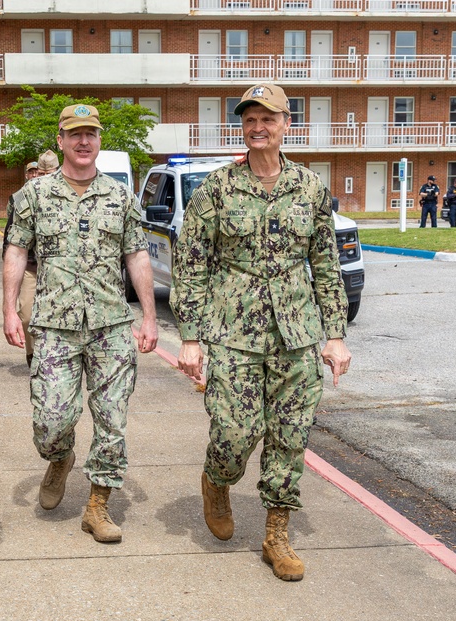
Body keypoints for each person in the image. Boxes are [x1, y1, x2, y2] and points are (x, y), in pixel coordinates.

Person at [170, 82, 352, 582]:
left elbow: (325, 263)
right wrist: (190, 336)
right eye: (250, 119)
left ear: (286, 125)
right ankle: (217, 479)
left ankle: (276, 533)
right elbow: (191, 263)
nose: (258, 127)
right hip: (233, 331)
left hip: (296, 333)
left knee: (289, 437)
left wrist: (334, 334)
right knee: (235, 431)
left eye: (267, 119)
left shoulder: (310, 189)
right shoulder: (217, 189)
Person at [3, 104, 158, 544]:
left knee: (112, 421)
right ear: (60, 140)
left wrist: (148, 316)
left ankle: (98, 506)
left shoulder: (121, 197)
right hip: (54, 324)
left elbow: (137, 256)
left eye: (91, 133)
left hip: (110, 325)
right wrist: (11, 310)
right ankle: (60, 458)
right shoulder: (32, 197)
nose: (83, 141)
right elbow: (15, 252)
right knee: (51, 422)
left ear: (99, 140)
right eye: (75, 134)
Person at [1, 158, 47, 366]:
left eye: (43, 172)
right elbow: (11, 232)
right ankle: (31, 352)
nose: (37, 176)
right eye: (34, 172)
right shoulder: (21, 197)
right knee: (27, 315)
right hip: (29, 265)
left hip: (54, 268)